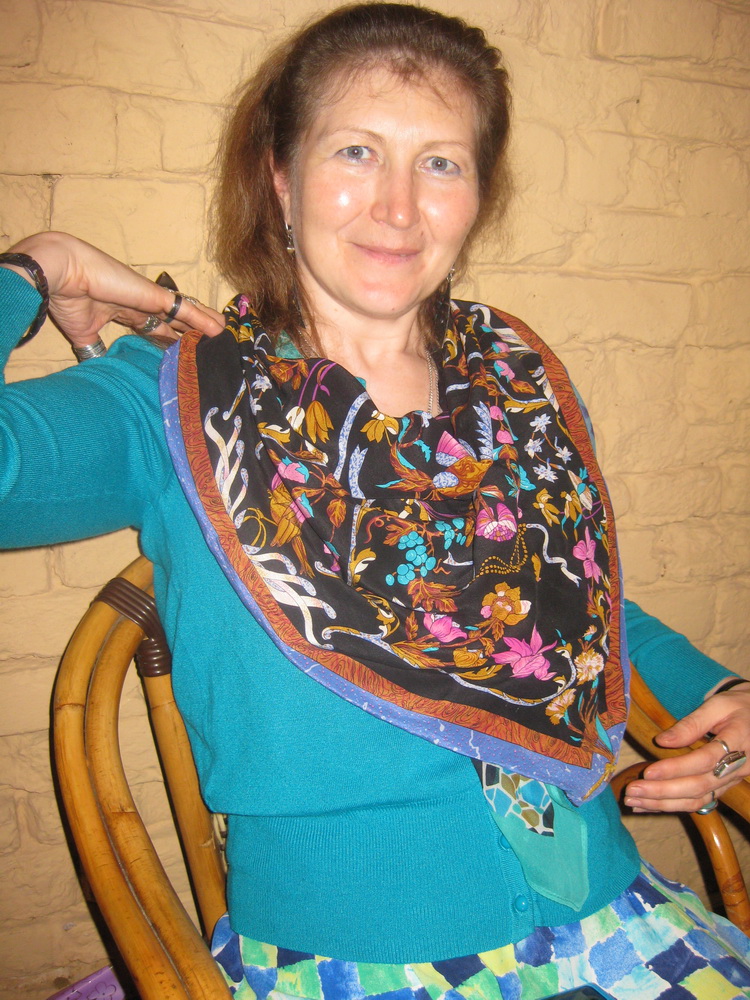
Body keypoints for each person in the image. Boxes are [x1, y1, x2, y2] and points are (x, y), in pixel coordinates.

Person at [1, 4, 749, 998]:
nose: (398, 207)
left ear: (479, 193)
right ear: (280, 174)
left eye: (440, 162)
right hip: (360, 960)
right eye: (356, 151)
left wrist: (723, 700)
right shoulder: (170, 398)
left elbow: (568, 613)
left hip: (615, 921)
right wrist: (36, 265)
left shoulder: (514, 376)